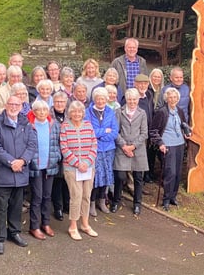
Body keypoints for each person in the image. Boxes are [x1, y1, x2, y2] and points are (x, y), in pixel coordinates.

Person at [0, 95, 37, 255]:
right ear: (5, 105)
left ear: (21, 107)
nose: (14, 107)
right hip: (2, 172)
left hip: (21, 171)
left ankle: (14, 232)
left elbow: (32, 144)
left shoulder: (26, 123)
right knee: (1, 208)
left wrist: (22, 161)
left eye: (17, 105)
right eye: (11, 104)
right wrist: (11, 162)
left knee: (17, 206)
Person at [60, 101, 98, 240]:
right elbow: (64, 148)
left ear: (83, 113)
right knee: (76, 196)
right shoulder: (65, 126)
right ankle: (73, 226)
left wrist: (87, 162)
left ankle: (85, 224)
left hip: (88, 167)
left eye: (79, 112)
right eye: (74, 112)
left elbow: (94, 145)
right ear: (70, 113)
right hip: (72, 168)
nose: (77, 114)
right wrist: (77, 163)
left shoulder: (88, 125)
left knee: (86, 196)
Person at [150, 87, 191, 211]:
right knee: (170, 172)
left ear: (178, 99)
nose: (172, 99)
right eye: (170, 97)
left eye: (175, 97)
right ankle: (166, 199)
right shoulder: (162, 112)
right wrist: (160, 143)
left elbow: (183, 125)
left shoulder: (179, 110)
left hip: (179, 144)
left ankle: (173, 196)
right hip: (167, 146)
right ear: (166, 99)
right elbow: (153, 130)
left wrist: (186, 132)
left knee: (178, 172)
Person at [27, 100, 61, 240]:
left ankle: (45, 223)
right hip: (36, 166)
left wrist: (57, 157)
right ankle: (34, 226)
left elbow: (59, 143)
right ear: (34, 112)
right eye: (38, 110)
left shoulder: (54, 125)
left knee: (47, 196)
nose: (42, 112)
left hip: (50, 166)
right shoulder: (29, 126)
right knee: (37, 197)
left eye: (44, 110)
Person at [113, 88, 149, 215]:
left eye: (134, 99)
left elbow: (144, 133)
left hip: (137, 150)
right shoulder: (119, 112)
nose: (132, 102)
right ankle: (116, 201)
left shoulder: (142, 113)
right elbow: (115, 131)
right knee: (120, 176)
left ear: (138, 100)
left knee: (138, 178)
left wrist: (132, 146)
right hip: (122, 148)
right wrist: (124, 146)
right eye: (129, 99)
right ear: (126, 100)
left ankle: (137, 204)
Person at [85, 87, 118, 215]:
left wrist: (100, 136)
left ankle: (102, 202)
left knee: (106, 176)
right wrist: (104, 131)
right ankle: (91, 203)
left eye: (103, 99)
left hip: (108, 149)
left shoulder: (110, 112)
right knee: (95, 177)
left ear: (106, 99)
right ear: (94, 99)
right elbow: (89, 130)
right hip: (94, 149)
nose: (100, 101)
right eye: (98, 98)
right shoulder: (88, 112)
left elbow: (114, 132)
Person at [50, 91, 70, 220]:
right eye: (57, 101)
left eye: (62, 102)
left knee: (67, 180)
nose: (59, 104)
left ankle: (67, 205)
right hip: (54, 151)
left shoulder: (70, 114)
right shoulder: (49, 115)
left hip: (68, 153)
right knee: (57, 181)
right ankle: (58, 208)